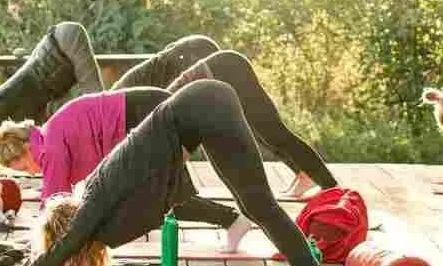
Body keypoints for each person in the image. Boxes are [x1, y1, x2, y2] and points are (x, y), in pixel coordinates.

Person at [0, 77, 342, 266]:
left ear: (68, 229)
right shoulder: (98, 208)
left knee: (259, 205)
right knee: (256, 205)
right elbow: (48, 253)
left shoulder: (96, 200)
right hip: (198, 112)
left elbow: (53, 254)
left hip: (202, 106)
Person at [0, 80, 260, 249]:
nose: (30, 173)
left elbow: (53, 204)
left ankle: (237, 219)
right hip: (146, 111)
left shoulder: (50, 148)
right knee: (165, 195)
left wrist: (36, 244)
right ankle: (235, 220)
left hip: (146, 113)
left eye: (22, 168)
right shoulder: (49, 137)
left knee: (162, 195)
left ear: (25, 150)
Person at [112, 41, 337, 196]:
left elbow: (174, 160)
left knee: (273, 132)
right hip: (222, 71)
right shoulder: (160, 121)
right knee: (265, 135)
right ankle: (305, 174)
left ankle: (330, 186)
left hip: (230, 69)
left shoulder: (161, 122)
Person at [0, 22, 103, 164]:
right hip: (57, 54)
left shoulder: (6, 109)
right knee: (98, 110)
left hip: (63, 45)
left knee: (98, 108)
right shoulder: (18, 113)